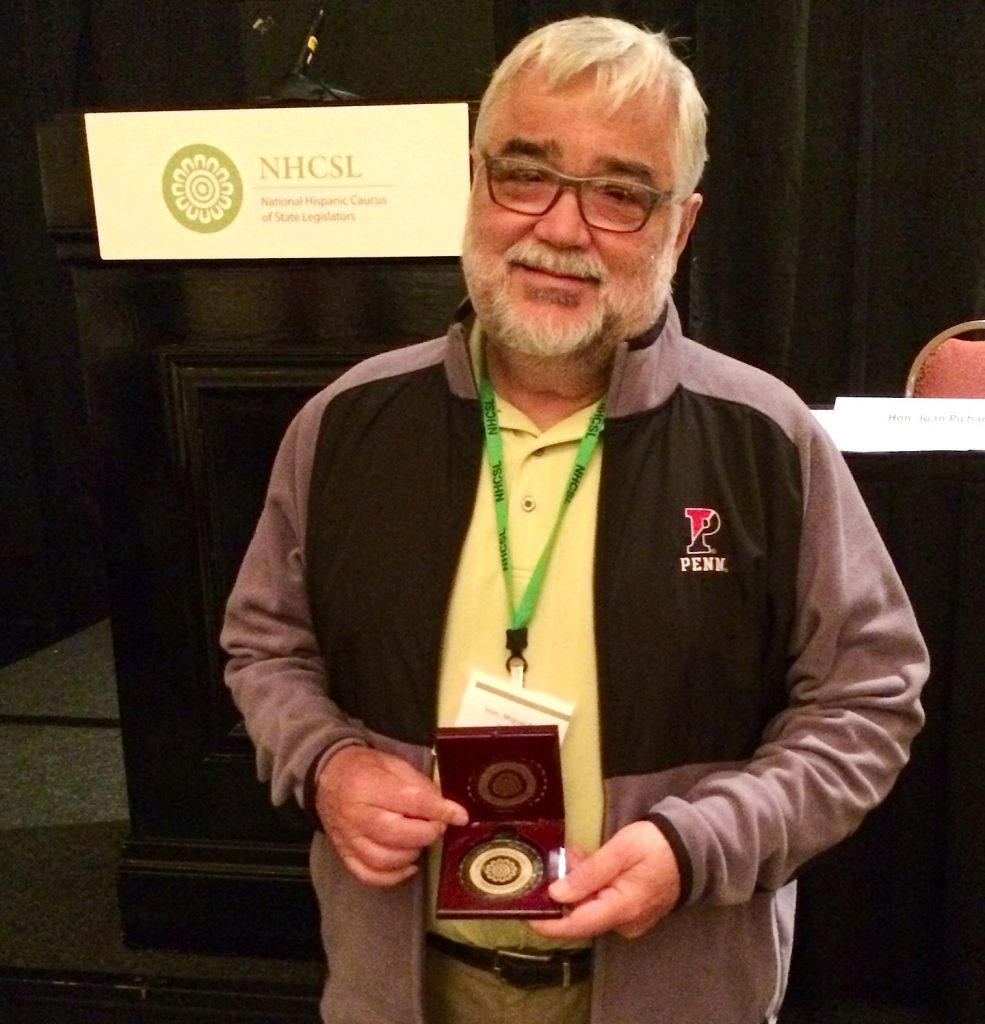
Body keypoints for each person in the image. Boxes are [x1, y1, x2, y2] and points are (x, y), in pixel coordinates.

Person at [221, 15, 927, 1024]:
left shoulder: (766, 438)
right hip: (403, 991)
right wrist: (327, 765)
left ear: (680, 226)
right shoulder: (343, 424)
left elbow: (868, 699)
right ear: (475, 181)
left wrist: (696, 846)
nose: (560, 227)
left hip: (673, 992)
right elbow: (264, 647)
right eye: (525, 173)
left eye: (619, 194)